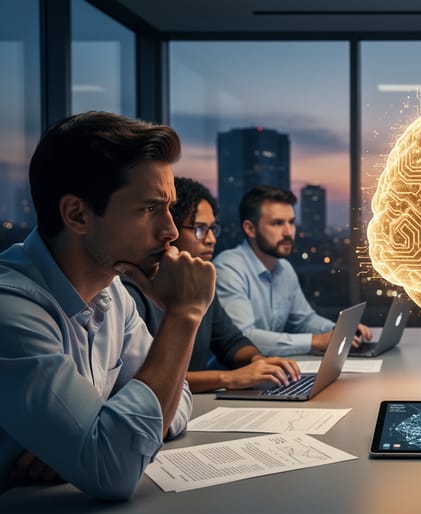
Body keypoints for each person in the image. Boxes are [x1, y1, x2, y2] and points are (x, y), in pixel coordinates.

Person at [0, 111, 215, 498]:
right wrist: (184, 314)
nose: (169, 230)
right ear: (77, 214)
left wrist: (96, 431)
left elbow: (178, 397)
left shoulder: (113, 294)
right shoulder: (11, 311)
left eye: (168, 208)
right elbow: (114, 469)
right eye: (149, 208)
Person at [124, 177, 300, 393]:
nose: (210, 239)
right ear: (171, 231)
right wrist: (228, 378)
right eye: (199, 229)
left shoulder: (199, 281)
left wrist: (258, 361)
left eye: (212, 229)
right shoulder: (132, 290)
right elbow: (147, 379)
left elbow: (231, 342)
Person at [214, 185, 371, 355]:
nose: (288, 232)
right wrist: (317, 341)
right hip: (238, 376)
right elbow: (243, 338)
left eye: (291, 222)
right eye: (277, 223)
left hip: (274, 370)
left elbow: (304, 320)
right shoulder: (228, 269)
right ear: (250, 229)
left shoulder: (284, 269)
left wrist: (338, 330)